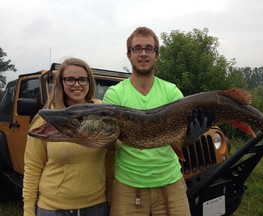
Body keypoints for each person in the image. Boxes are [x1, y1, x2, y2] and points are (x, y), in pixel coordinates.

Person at [103, 26, 194, 216]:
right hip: (128, 186)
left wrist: (192, 135)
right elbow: (110, 144)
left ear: (156, 55)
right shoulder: (114, 94)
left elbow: (181, 141)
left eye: (148, 48)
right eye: (137, 49)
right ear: (129, 55)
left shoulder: (172, 92)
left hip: (171, 183)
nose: (143, 53)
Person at [23, 57, 114, 216]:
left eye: (82, 80)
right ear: (61, 82)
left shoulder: (104, 114)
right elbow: (32, 167)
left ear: (89, 82)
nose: (77, 84)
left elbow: (111, 160)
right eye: (70, 79)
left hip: (96, 206)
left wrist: (111, 197)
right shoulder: (46, 119)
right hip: (53, 209)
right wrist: (29, 211)